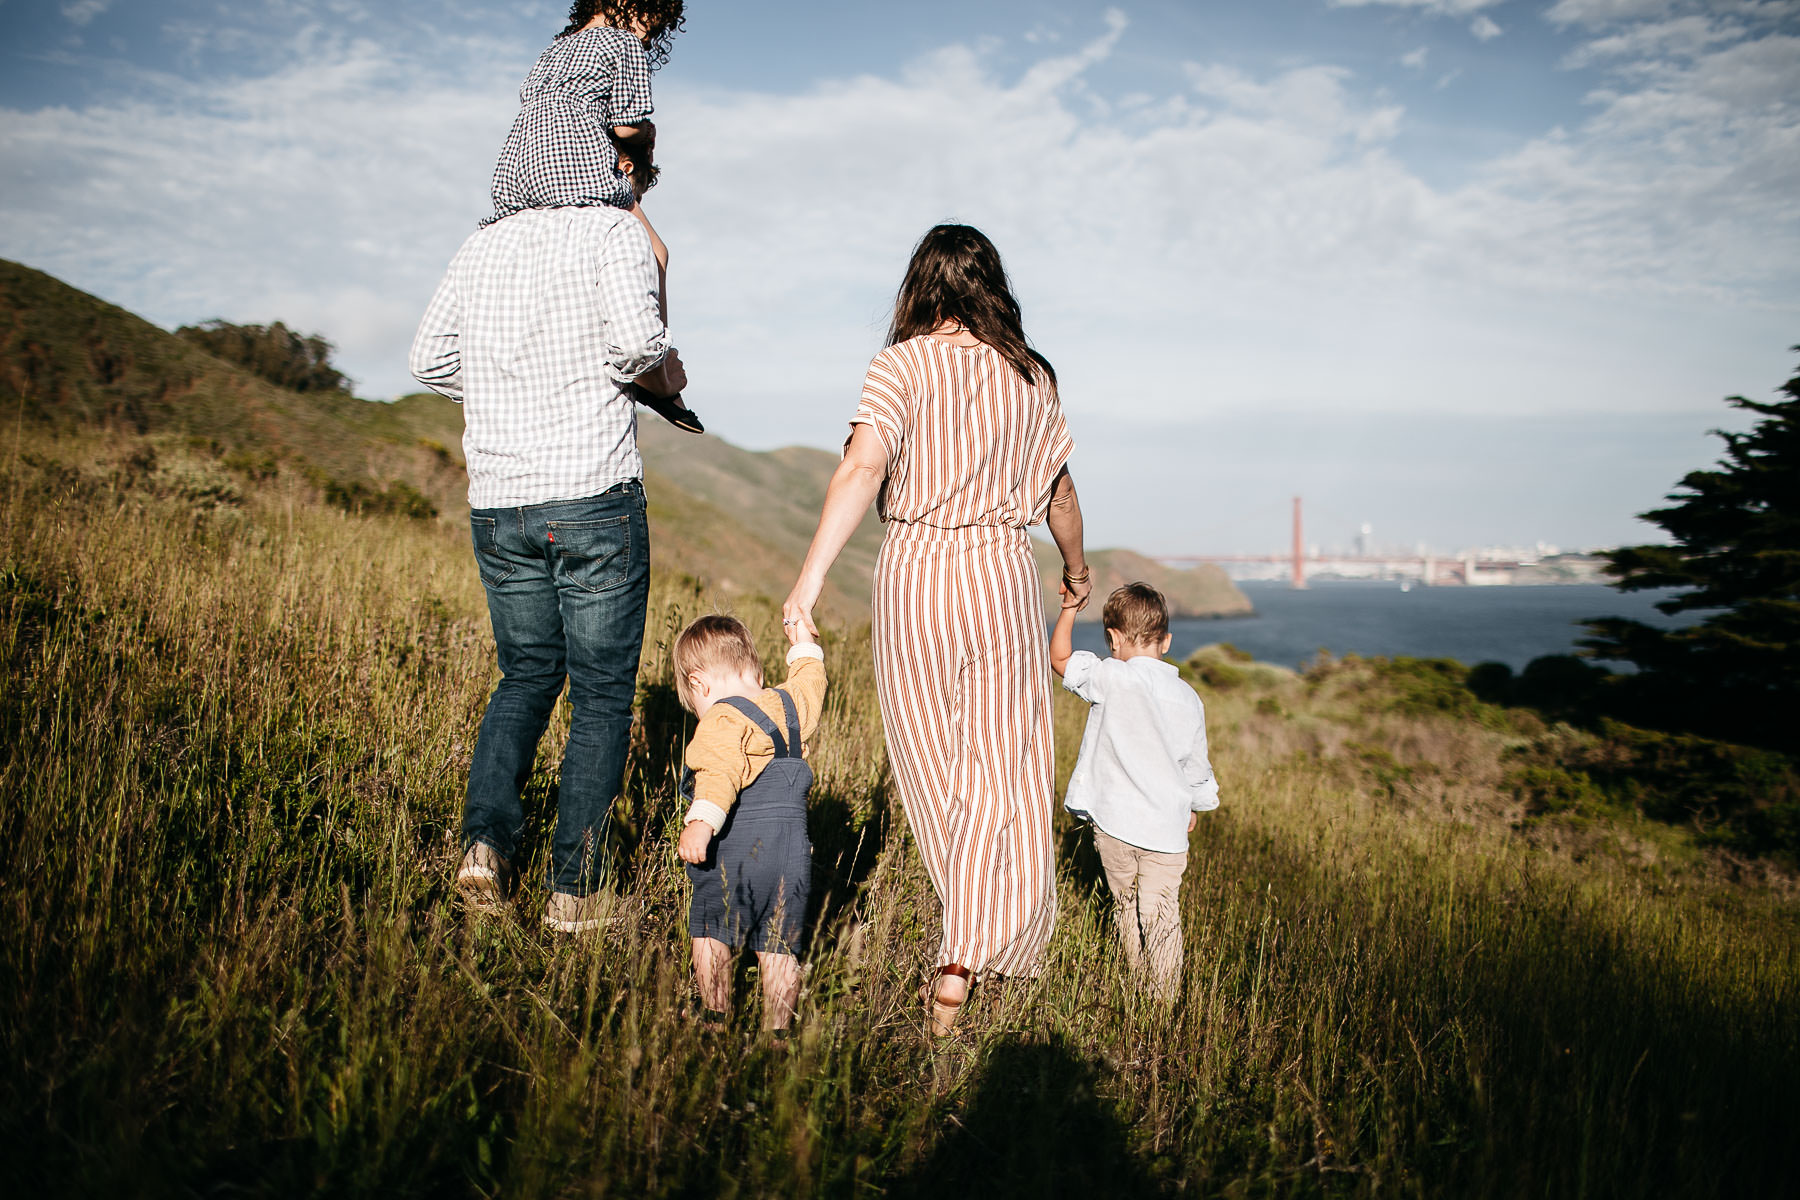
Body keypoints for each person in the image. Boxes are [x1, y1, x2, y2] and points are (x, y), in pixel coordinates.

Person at [783, 224, 1091, 1037]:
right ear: (993, 284)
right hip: (997, 572)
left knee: (930, 760)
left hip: (915, 572)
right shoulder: (1032, 376)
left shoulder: (900, 364)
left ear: (920, 285)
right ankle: (967, 951)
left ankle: (965, 931)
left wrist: (808, 582)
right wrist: (1076, 569)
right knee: (1006, 768)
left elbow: (862, 468)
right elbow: (1059, 494)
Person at [409, 186, 686, 932]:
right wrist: (668, 377)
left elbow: (427, 357)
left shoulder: (482, 242)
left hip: (500, 500)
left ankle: (484, 849)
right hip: (590, 493)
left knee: (526, 674)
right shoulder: (609, 231)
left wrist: (512, 393)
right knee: (600, 695)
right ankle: (577, 892)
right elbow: (636, 344)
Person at [487, 1, 700, 433]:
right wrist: (647, 134)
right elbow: (625, 126)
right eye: (651, 19)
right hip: (574, 168)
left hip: (513, 176)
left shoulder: (553, 50)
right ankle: (655, 375)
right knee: (655, 251)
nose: (647, 33)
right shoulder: (624, 45)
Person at [1049, 582, 1220, 1001]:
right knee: (1161, 914)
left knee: (1125, 907)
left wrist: (1070, 608)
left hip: (1115, 825)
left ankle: (1134, 979)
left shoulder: (1110, 677)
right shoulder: (1188, 698)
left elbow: (1059, 659)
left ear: (1112, 640)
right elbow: (1194, 764)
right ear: (1166, 642)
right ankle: (1160, 1003)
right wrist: (1193, 806)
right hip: (1165, 830)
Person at [672, 615, 827, 1036]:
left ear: (699, 684)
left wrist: (701, 823)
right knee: (778, 946)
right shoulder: (791, 706)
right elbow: (812, 682)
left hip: (738, 851)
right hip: (791, 855)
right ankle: (778, 1033)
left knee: (709, 929)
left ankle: (716, 1014)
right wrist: (802, 644)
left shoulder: (721, 718)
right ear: (756, 672)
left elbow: (718, 773)